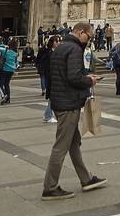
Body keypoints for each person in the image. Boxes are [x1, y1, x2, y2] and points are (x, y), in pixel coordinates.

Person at [41, 22, 109, 199]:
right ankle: (50, 187)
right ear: (81, 32)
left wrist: (84, 75)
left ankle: (86, 179)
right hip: (68, 103)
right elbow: (72, 77)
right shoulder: (75, 49)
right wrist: (89, 81)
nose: (90, 40)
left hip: (59, 100)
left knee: (73, 143)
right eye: (89, 36)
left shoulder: (60, 47)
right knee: (61, 146)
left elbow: (62, 74)